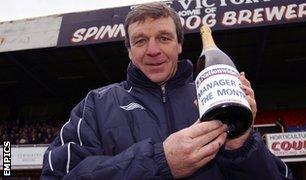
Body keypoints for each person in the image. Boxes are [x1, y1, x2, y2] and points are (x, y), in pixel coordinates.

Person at [41, 2, 292, 179]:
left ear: (179, 45)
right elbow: (59, 176)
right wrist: (160, 162)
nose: (153, 50)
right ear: (129, 50)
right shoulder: (95, 104)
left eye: (164, 38)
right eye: (140, 40)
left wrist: (242, 143)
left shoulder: (211, 96)